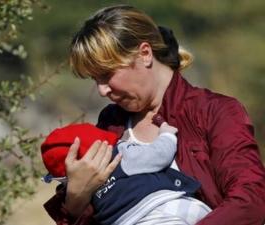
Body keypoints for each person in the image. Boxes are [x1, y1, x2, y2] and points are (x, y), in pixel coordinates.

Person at [43, 4, 265, 225]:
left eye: (106, 74)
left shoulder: (214, 112)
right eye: (94, 79)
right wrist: (75, 199)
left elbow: (251, 201)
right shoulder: (111, 123)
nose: (102, 90)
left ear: (145, 54)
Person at [41, 122, 211, 225]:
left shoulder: (83, 192)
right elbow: (160, 154)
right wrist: (167, 135)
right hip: (163, 208)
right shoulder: (122, 156)